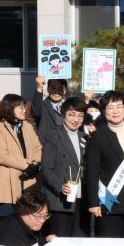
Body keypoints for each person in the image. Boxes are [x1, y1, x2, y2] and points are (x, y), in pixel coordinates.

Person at [85, 91, 124, 238]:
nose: (115, 111)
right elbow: (92, 171)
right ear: (103, 111)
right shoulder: (98, 136)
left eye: (119, 106)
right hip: (109, 201)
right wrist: (93, 202)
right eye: (110, 107)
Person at [0, 94, 42, 221]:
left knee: (28, 220)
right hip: (7, 184)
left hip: (28, 182)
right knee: (8, 223)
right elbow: (2, 155)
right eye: (20, 107)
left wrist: (34, 164)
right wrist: (27, 166)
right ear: (9, 108)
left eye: (25, 107)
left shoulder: (27, 126)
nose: (24, 110)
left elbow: (37, 147)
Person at [40, 97, 88, 237]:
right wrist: (60, 186)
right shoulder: (53, 136)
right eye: (71, 114)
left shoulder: (85, 137)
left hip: (81, 198)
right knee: (60, 239)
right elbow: (46, 168)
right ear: (63, 115)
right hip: (60, 199)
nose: (76, 119)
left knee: (79, 239)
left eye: (80, 115)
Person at [32, 75, 68, 140]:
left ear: (65, 91)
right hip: (46, 144)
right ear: (48, 89)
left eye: (60, 89)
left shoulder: (70, 107)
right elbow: (36, 112)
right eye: (53, 88)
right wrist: (39, 88)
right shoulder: (42, 105)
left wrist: (87, 100)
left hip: (66, 143)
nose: (56, 92)